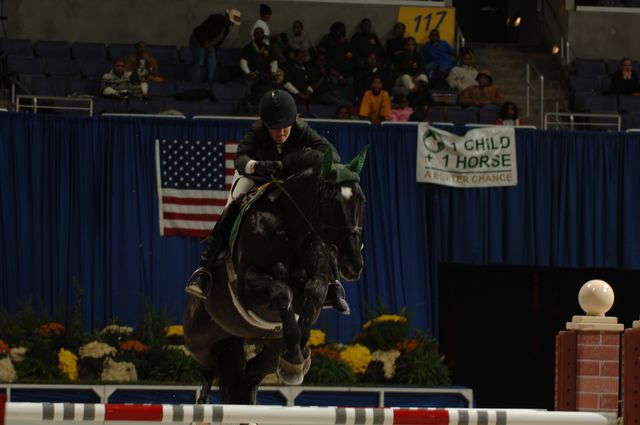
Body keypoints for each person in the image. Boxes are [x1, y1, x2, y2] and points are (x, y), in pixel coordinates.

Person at [185, 89, 350, 314]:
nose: (281, 133)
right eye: (275, 128)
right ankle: (204, 270)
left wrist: (295, 162)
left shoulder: (301, 129)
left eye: (285, 127)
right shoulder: (257, 131)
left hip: (289, 180)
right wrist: (256, 165)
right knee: (232, 205)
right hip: (257, 177)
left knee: (319, 213)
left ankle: (332, 282)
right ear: (266, 124)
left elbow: (333, 156)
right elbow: (239, 158)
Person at [189, 8, 241, 83]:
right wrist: (205, 43)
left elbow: (216, 46)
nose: (231, 24)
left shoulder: (225, 30)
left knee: (212, 63)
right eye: (231, 21)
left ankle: (209, 84)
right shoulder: (215, 18)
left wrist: (212, 49)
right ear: (226, 17)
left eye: (232, 23)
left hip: (210, 44)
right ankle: (194, 84)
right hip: (198, 40)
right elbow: (202, 31)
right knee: (199, 61)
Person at [240, 27, 278, 95]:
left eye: (261, 33)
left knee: (275, 84)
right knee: (249, 85)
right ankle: (248, 103)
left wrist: (273, 72)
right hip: (252, 74)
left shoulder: (268, 48)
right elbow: (243, 61)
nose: (259, 34)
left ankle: (270, 103)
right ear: (254, 34)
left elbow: (273, 61)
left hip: (265, 74)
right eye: (257, 33)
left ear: (263, 35)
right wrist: (248, 73)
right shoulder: (247, 48)